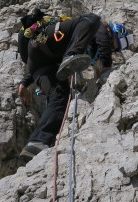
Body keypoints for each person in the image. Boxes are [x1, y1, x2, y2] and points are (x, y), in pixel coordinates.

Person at [15, 9, 113, 162]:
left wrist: (25, 82)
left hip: (39, 60)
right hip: (50, 40)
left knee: (60, 94)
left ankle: (36, 143)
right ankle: (71, 55)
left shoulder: (81, 38)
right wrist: (106, 64)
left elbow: (36, 62)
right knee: (92, 18)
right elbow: (101, 33)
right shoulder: (101, 29)